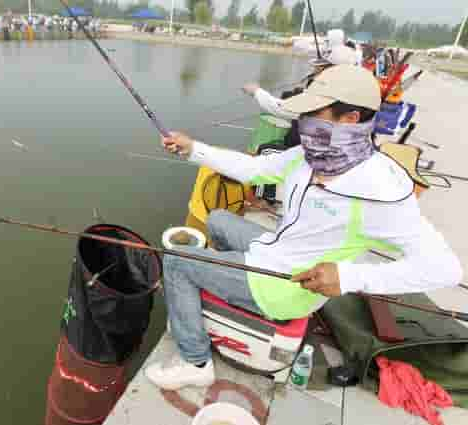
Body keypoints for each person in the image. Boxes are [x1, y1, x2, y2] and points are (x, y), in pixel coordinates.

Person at [145, 65, 462, 391]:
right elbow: (255, 169)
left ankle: (194, 361)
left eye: (313, 112)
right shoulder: (309, 154)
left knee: (176, 262)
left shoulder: (381, 192)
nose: (302, 122)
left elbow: (444, 269)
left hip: (288, 287)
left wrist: (349, 277)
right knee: (218, 220)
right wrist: (194, 149)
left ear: (350, 119)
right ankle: (227, 287)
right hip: (275, 251)